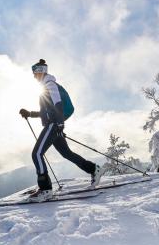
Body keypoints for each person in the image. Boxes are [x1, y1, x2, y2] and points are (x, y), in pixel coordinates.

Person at [19, 59, 102, 201]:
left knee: (37, 154)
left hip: (53, 125)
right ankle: (94, 169)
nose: (34, 76)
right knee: (67, 154)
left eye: (35, 73)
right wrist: (29, 114)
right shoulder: (46, 87)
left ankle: (45, 190)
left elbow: (58, 104)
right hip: (54, 124)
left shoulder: (49, 85)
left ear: (41, 72)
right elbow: (45, 112)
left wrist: (59, 124)